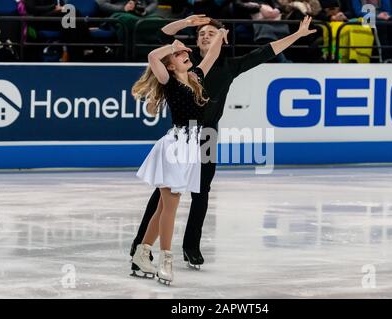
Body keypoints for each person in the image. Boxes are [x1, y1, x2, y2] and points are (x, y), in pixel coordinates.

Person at [130, 15, 317, 271]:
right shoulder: (188, 64)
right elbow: (162, 37)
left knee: (201, 190)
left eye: (211, 32)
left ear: (221, 38)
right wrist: (186, 23)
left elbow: (267, 51)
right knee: (164, 195)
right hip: (185, 135)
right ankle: (142, 245)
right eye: (201, 33)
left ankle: (191, 247)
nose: (205, 35)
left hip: (207, 136)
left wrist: (296, 35)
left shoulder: (230, 65)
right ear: (195, 41)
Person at [130, 29, 228, 285]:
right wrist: (172, 46)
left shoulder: (194, 77)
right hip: (175, 146)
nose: (186, 54)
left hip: (192, 147)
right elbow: (153, 57)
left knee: (164, 206)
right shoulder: (169, 81)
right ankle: (165, 259)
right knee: (170, 206)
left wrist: (220, 35)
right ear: (170, 65)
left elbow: (212, 55)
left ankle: (142, 253)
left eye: (186, 52)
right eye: (179, 55)